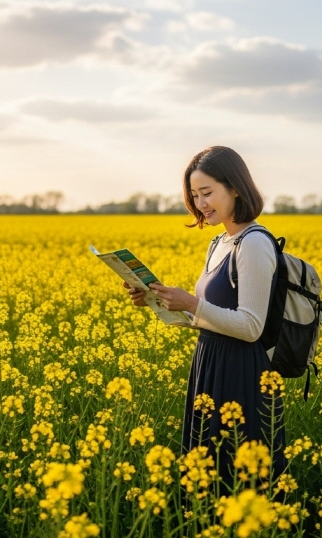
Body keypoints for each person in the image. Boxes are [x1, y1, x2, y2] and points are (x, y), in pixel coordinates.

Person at [123, 145, 287, 491]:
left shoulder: (254, 243)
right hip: (210, 364)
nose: (201, 204)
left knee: (236, 478)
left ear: (236, 187)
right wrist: (159, 301)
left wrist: (193, 304)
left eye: (208, 193)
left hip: (242, 373)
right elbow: (209, 320)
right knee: (206, 476)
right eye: (195, 195)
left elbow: (250, 327)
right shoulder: (219, 243)